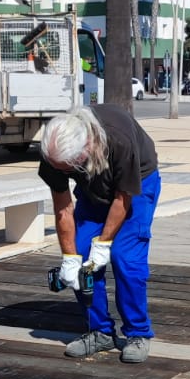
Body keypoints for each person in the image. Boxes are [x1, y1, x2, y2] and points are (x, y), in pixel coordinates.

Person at [39, 104, 160, 364]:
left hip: (135, 184)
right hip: (93, 188)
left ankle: (138, 333)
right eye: (61, 170)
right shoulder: (54, 152)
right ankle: (100, 331)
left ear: (88, 146)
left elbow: (122, 199)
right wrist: (70, 257)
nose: (63, 174)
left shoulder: (119, 140)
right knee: (83, 255)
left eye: (68, 168)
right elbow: (63, 208)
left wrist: (104, 244)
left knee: (125, 258)